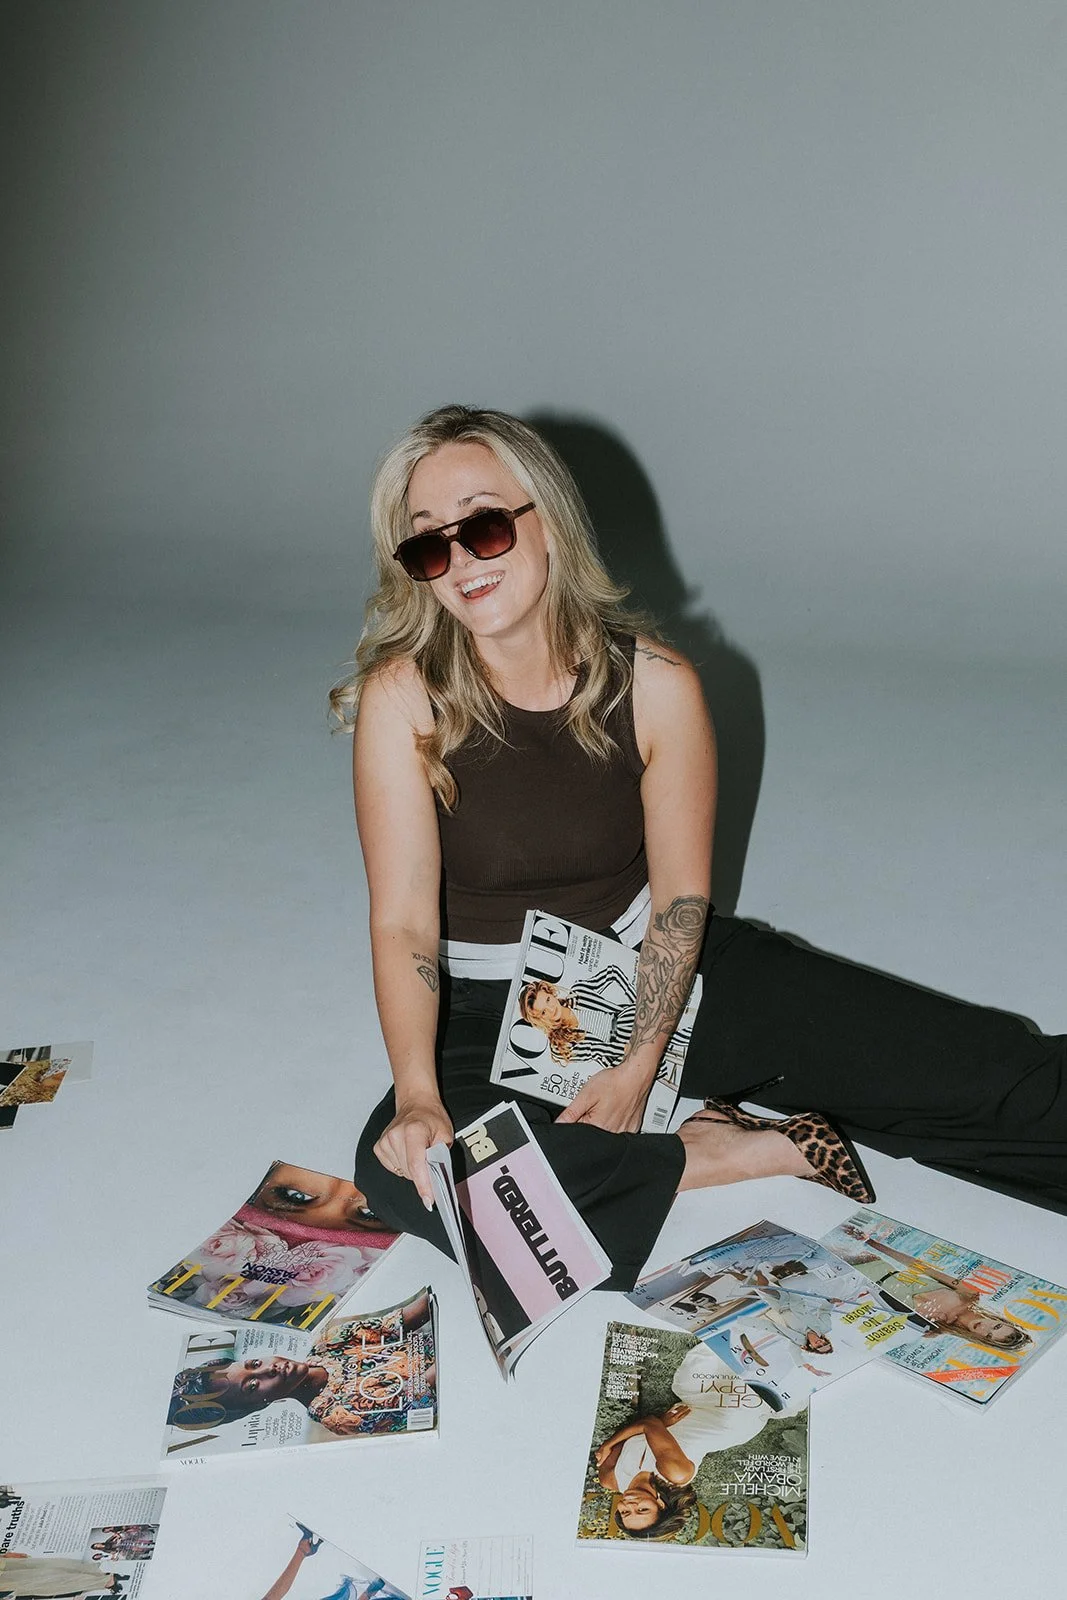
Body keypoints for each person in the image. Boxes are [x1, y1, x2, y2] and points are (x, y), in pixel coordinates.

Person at [340, 404, 1067, 1291]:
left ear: (548, 521)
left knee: (988, 1076)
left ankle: (667, 1142)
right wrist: (419, 1096)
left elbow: (681, 903)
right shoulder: (405, 698)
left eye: (484, 526)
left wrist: (637, 1067)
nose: (460, 562)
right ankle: (713, 1153)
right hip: (488, 1009)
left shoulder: (655, 683)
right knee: (407, 1175)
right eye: (428, 544)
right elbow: (404, 925)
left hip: (655, 970)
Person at [592, 1342, 791, 1538]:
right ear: (660, 1504)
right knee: (761, 1375)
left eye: (625, 1512)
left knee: (702, 1365)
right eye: (642, 1510)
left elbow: (628, 1439)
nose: (630, 1505)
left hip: (691, 1407)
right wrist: (613, 1443)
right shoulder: (675, 1474)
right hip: (725, 1421)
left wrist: (653, 1428)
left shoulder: (609, 1480)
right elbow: (647, 1425)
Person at [837, 1228, 1032, 1352]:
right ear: (999, 1320)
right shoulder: (969, 1294)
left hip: (850, 1285)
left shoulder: (934, 1329)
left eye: (988, 1335)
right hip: (871, 1263)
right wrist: (872, 1243)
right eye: (995, 1327)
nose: (984, 1328)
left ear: (983, 1341)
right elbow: (920, 1267)